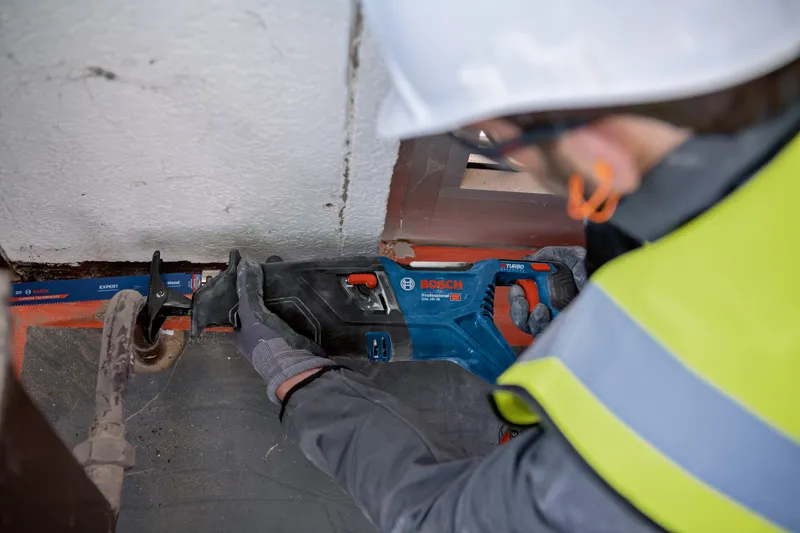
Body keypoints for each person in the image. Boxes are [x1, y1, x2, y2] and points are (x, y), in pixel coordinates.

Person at [235, 1, 800, 531]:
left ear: (604, 153)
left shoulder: (660, 432)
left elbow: (435, 516)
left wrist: (298, 379)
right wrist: (602, 273)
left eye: (493, 141)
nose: (494, 150)